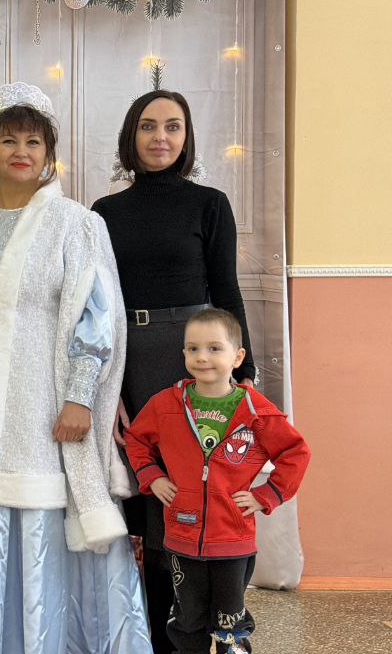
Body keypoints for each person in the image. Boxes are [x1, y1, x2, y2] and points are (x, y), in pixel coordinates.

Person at [0, 82, 149, 653]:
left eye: (33, 142)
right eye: (8, 140)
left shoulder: (76, 224)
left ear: (49, 153)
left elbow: (98, 318)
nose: (20, 152)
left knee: (40, 516)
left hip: (42, 403)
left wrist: (79, 396)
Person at [91, 90, 258, 653]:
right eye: (147, 126)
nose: (160, 137)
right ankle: (155, 635)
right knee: (147, 496)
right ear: (130, 136)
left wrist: (242, 375)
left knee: (199, 491)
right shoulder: (104, 212)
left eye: (173, 126)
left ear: (187, 137)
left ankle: (212, 625)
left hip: (197, 362)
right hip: (131, 359)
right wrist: (107, 384)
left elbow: (226, 291)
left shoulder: (210, 204)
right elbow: (99, 304)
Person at [125, 308, 309, 654]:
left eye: (214, 348)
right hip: (181, 536)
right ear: (183, 354)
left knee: (230, 622)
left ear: (237, 357)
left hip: (233, 539)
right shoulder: (166, 404)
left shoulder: (254, 409)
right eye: (193, 348)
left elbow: (295, 452)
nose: (202, 357)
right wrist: (152, 477)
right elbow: (136, 439)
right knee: (187, 620)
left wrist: (266, 495)